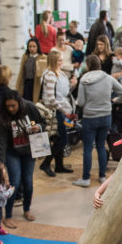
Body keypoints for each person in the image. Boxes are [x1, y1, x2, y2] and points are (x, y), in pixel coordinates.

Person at [73, 54, 122, 187]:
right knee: (101, 146)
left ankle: (86, 178)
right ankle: (102, 176)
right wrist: (115, 101)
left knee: (87, 148)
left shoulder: (84, 79)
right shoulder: (108, 78)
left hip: (89, 118)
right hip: (105, 117)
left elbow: (80, 102)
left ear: (88, 65)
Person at [0, 89, 46, 225]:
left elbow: (42, 123)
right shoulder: (2, 116)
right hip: (12, 153)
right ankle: (8, 215)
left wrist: (38, 127)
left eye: (13, 106)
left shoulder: (30, 107)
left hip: (29, 151)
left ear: (19, 103)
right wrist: (1, 164)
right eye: (7, 106)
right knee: (14, 183)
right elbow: (0, 142)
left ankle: (27, 209)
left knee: (28, 182)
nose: (10, 109)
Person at [39, 49, 75, 177]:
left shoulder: (59, 74)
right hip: (55, 111)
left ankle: (59, 165)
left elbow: (64, 93)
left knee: (60, 138)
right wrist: (64, 111)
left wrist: (73, 85)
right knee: (62, 139)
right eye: (59, 60)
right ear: (54, 61)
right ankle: (46, 163)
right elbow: (50, 98)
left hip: (60, 109)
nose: (61, 62)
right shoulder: (49, 75)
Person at [16, 38, 45, 104]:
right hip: (27, 83)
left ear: (37, 47)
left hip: (37, 83)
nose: (32, 48)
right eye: (30, 46)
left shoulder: (42, 57)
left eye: (34, 46)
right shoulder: (25, 56)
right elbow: (22, 71)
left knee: (35, 102)